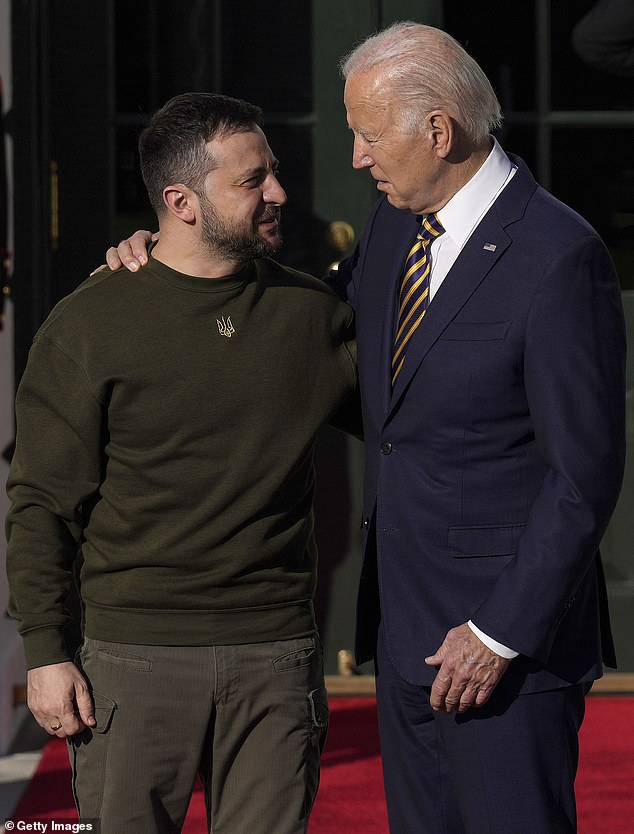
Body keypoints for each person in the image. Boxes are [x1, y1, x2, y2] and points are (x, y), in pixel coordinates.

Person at [109, 21, 627, 834]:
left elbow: (583, 478)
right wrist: (173, 252)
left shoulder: (560, 257)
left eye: (367, 133)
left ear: (438, 130)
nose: (356, 157)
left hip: (504, 654)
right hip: (405, 635)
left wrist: (497, 634)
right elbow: (302, 328)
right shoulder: (395, 226)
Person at [5, 92, 358, 834]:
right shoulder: (89, 324)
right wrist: (44, 650)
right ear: (181, 201)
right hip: (132, 662)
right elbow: (41, 500)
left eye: (275, 172)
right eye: (252, 180)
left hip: (277, 655)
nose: (280, 194)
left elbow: (419, 424)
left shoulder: (312, 315)